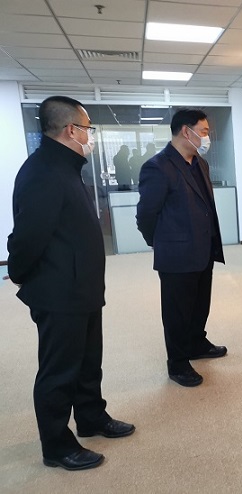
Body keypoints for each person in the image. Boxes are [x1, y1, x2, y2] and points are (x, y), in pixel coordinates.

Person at [6, 96, 135, 471]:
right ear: (70, 130)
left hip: (82, 288)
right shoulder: (43, 171)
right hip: (59, 292)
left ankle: (91, 417)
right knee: (59, 371)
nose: (90, 135)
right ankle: (57, 446)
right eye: (87, 127)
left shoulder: (65, 166)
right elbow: (27, 237)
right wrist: (20, 274)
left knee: (88, 361)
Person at [136, 109, 226, 388]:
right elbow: (146, 215)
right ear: (186, 132)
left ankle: (196, 342)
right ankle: (177, 362)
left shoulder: (200, 163)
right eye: (204, 131)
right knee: (177, 311)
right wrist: (161, 242)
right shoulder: (157, 167)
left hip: (204, 248)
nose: (207, 137)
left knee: (200, 303)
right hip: (176, 254)